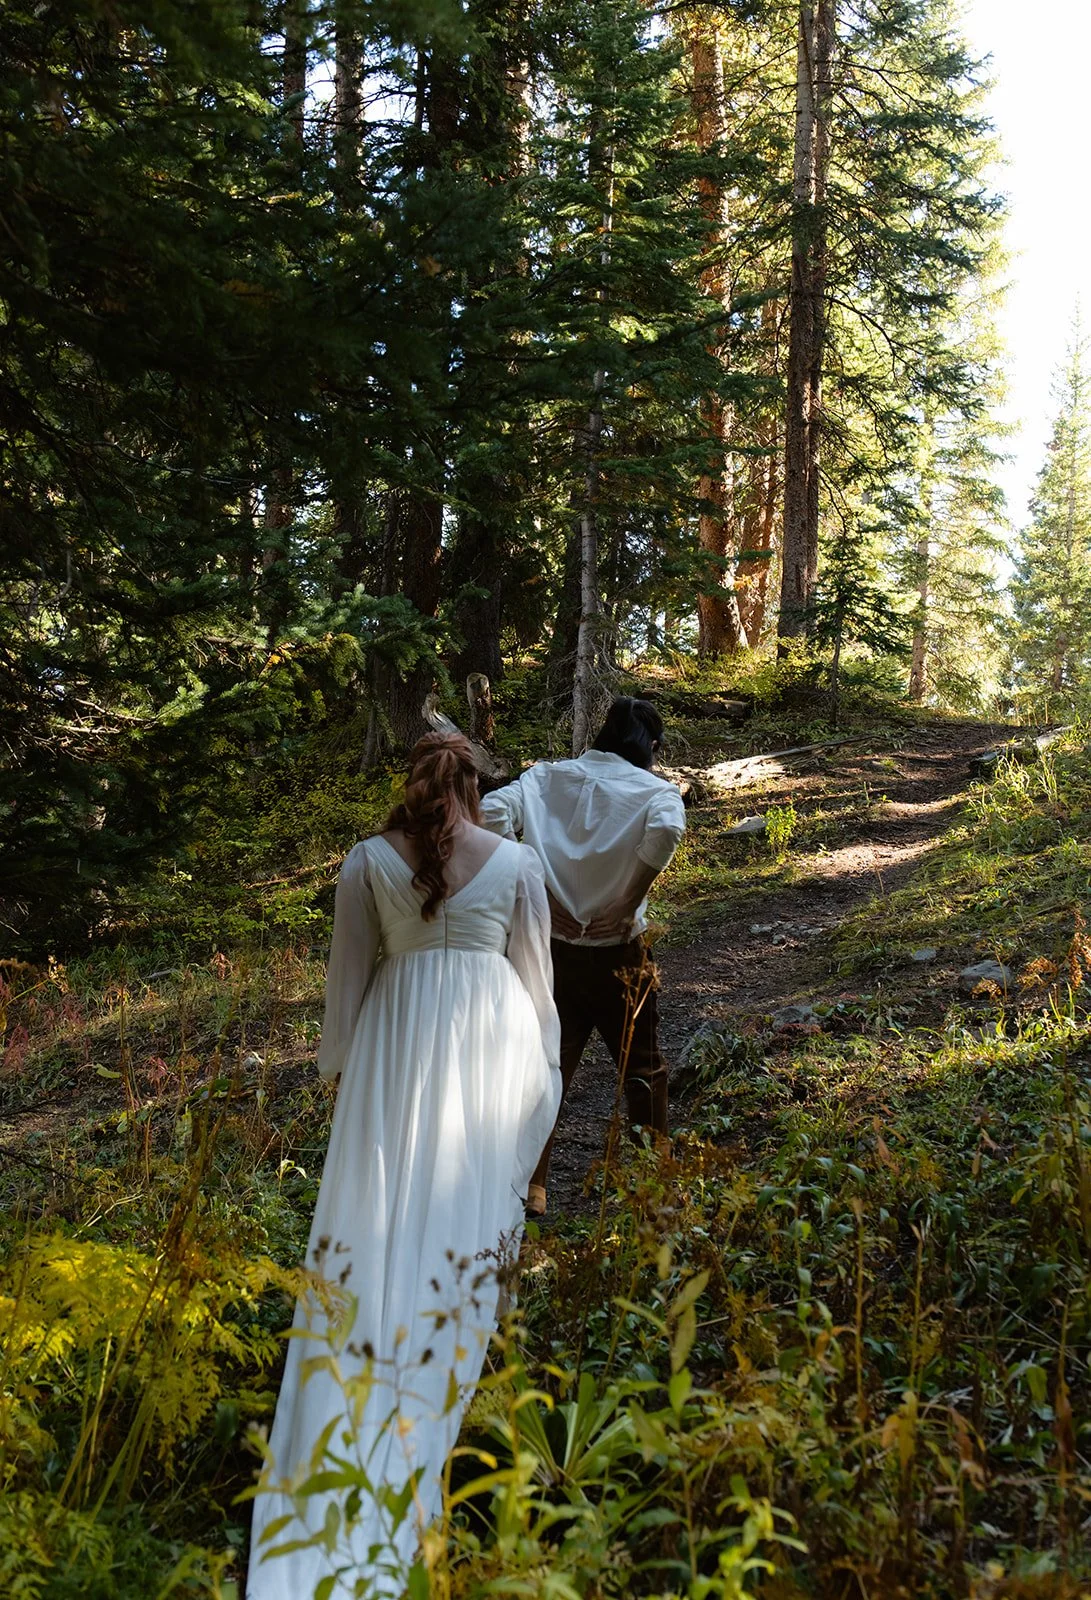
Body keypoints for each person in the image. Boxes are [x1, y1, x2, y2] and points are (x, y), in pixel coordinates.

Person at [247, 733, 561, 1600]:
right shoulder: (520, 865)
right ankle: (446, 1394)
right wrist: (542, 1090)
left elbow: (345, 989)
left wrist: (344, 1079)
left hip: (394, 1051)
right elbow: (538, 999)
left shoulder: (366, 862)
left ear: (415, 781)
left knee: (376, 1222)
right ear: (475, 783)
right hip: (487, 1054)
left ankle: (355, 1413)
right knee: (463, 1217)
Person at [481, 696, 685, 1218]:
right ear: (652, 749)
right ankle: (653, 1186)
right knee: (642, 1067)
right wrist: (625, 901)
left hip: (551, 948)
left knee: (547, 1064)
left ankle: (533, 1186)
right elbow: (667, 828)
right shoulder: (655, 790)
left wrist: (540, 892)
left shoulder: (548, 777)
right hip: (620, 951)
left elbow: (489, 813)